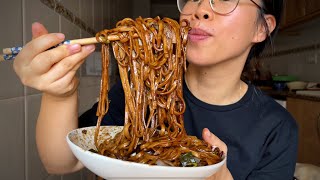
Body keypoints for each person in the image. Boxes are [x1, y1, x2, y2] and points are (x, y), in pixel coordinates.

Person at [13, 0, 298, 179]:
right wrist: (59, 94)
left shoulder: (277, 128)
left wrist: (220, 176)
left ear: (262, 28)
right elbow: (61, 162)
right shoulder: (140, 92)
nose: (200, 9)